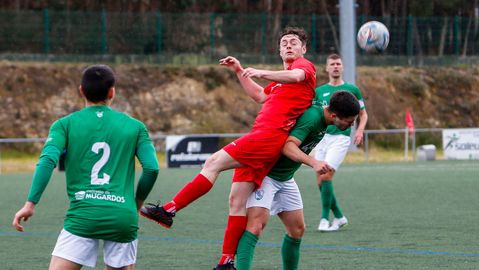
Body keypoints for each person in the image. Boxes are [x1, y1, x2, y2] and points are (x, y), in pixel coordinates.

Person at [140, 26, 316, 270]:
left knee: (213, 163)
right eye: (284, 42)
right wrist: (240, 72)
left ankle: (169, 210)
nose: (288, 44)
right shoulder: (278, 84)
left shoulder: (304, 68)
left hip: (267, 138)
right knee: (236, 202)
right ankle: (226, 261)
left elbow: (296, 76)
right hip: (262, 140)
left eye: (294, 42)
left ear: (303, 49)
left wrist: (262, 72)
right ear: (278, 49)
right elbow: (259, 96)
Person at [12, 65, 159, 270]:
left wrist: (30, 204)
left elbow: (47, 161)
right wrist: (136, 203)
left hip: (83, 216)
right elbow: (152, 169)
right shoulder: (136, 127)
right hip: (122, 216)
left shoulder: (64, 124)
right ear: (112, 92)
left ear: (81, 90)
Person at [236, 91, 360, 270]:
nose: (351, 125)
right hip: (267, 175)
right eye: (350, 121)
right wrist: (314, 162)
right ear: (334, 115)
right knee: (255, 227)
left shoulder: (324, 119)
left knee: (297, 230)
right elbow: (288, 146)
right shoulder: (312, 118)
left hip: (285, 178)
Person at [313, 53, 368, 232]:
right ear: (327, 68)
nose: (335, 66)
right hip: (322, 138)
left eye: (338, 64)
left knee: (326, 175)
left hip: (340, 138)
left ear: (342, 67)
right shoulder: (319, 91)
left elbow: (363, 113)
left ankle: (324, 219)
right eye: (332, 64)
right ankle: (339, 216)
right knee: (320, 181)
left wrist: (359, 130)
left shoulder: (352, 89)